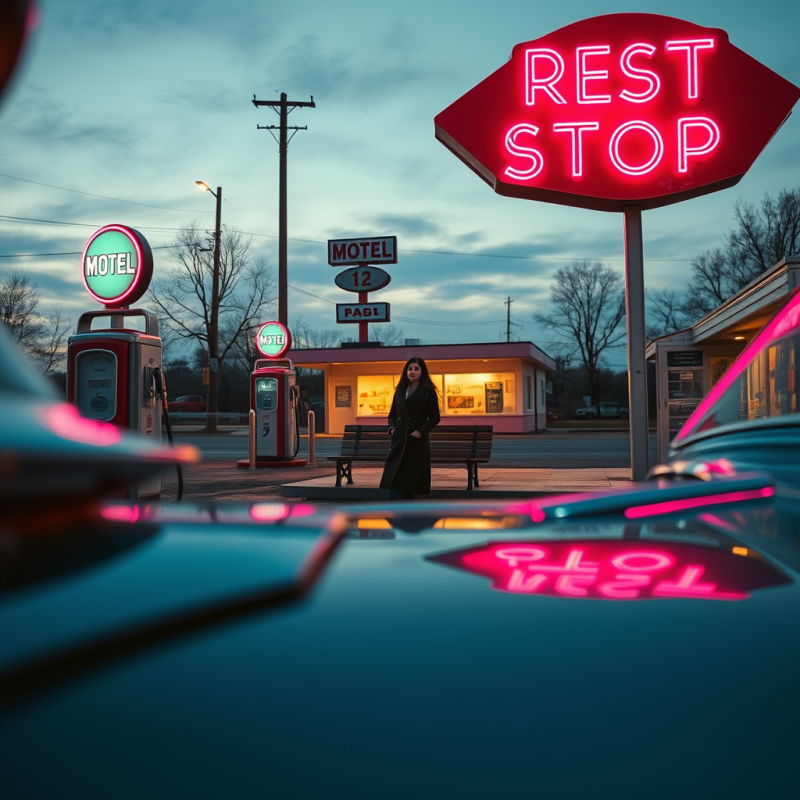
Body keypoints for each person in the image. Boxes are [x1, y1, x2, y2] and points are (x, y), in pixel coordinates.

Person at [380, 357, 441, 500]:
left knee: (409, 483)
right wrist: (392, 429)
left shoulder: (428, 392)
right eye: (410, 368)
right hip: (399, 440)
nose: (412, 372)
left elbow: (435, 417)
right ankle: (394, 514)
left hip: (416, 443)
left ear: (422, 371)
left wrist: (419, 432)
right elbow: (392, 414)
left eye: (416, 369)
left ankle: (405, 517)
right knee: (395, 479)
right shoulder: (400, 391)